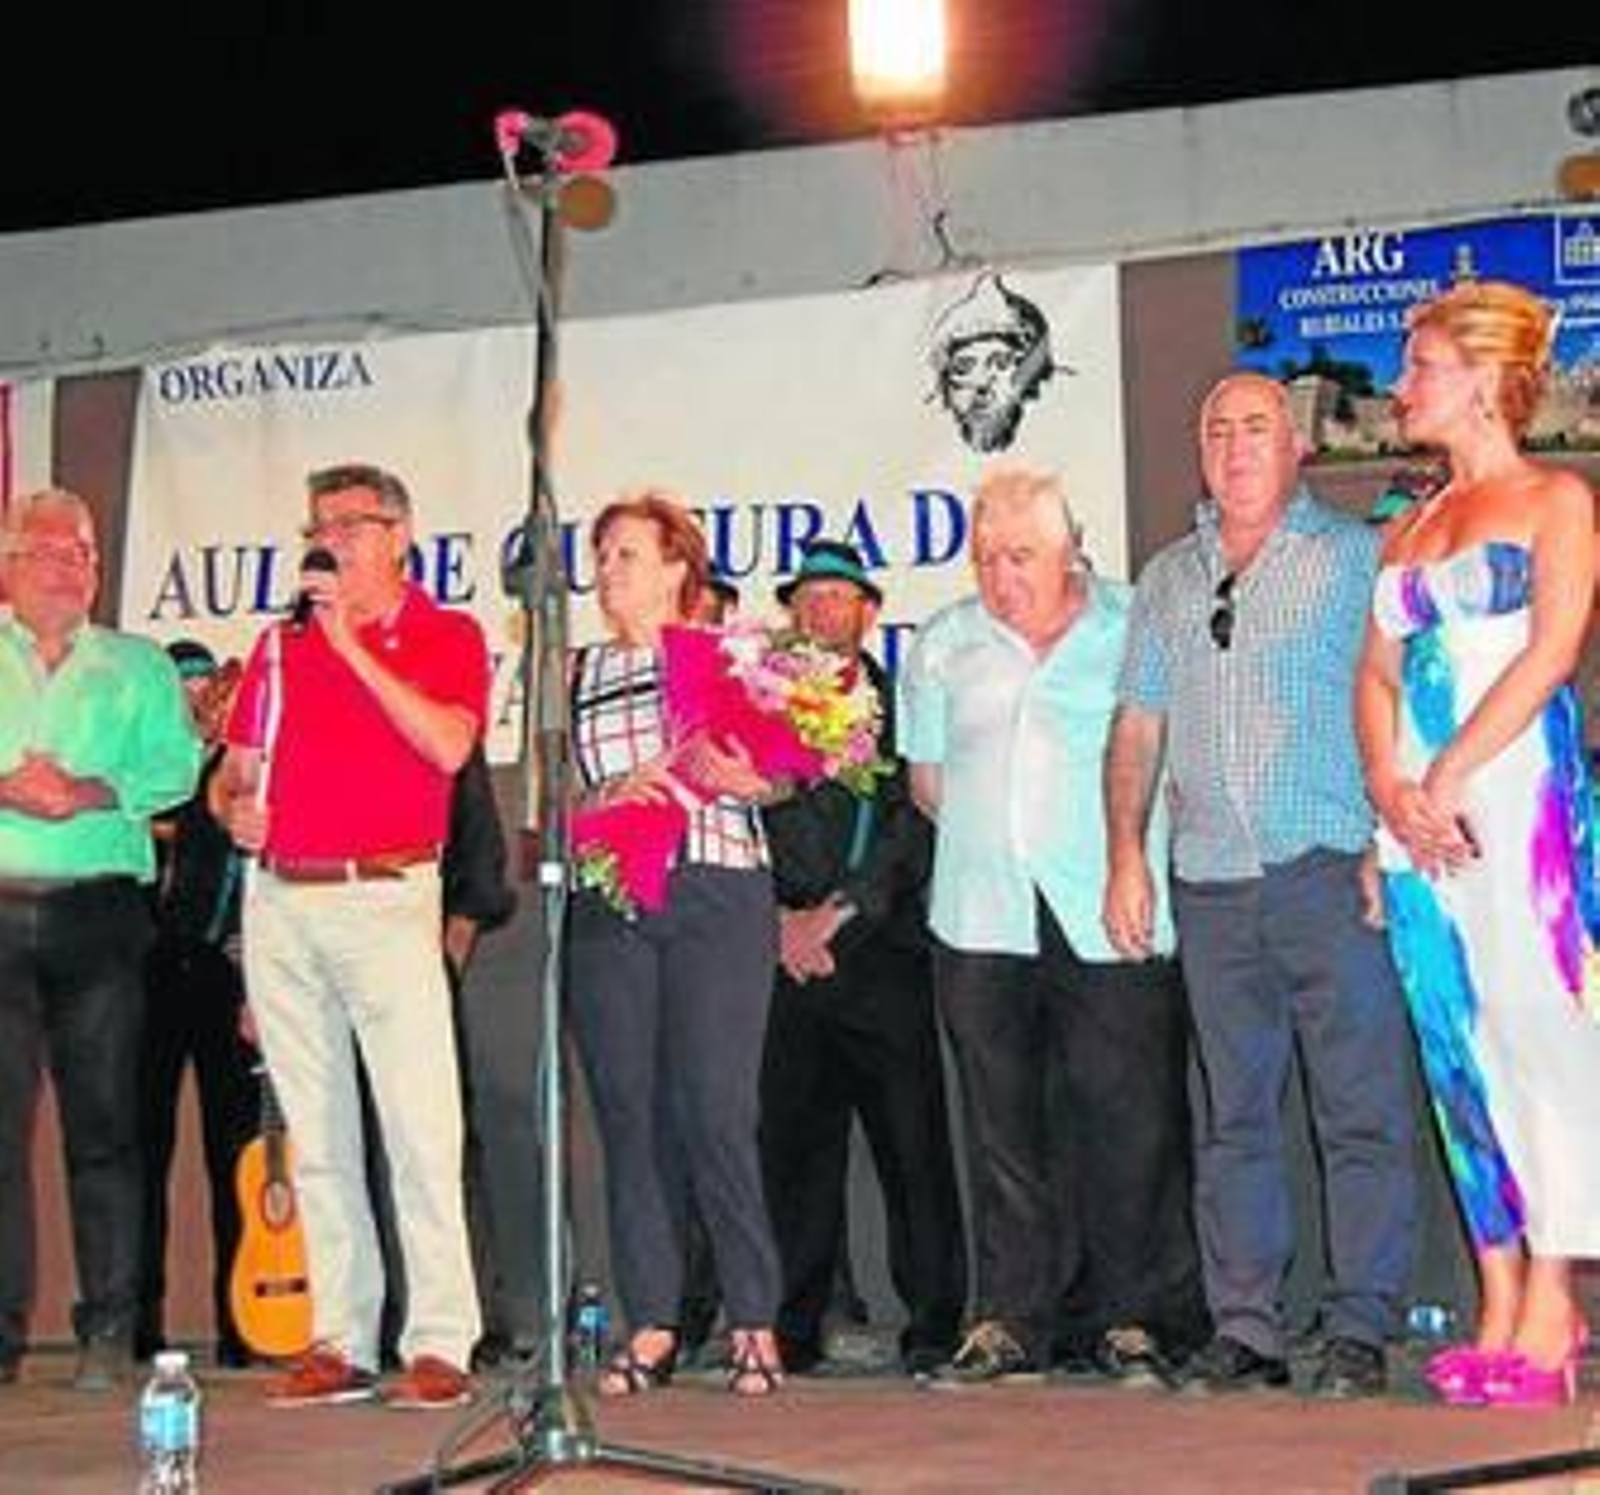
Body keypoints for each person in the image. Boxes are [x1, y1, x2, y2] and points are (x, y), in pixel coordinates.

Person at [1105, 372, 1418, 1399]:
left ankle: (1360, 1323)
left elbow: (1402, 705)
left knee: (1357, 1108)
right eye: (1217, 431)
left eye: (1255, 429)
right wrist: (1124, 853)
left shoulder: (1352, 559)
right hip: (1210, 885)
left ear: (1295, 448)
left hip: (1328, 870)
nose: (1235, 447)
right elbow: (1138, 727)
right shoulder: (1165, 579)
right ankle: (1247, 1327)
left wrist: (1388, 842)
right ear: (1199, 453)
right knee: (1232, 1117)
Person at [899, 463, 1207, 1385]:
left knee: (1132, 1117)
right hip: (981, 911)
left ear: (1071, 549)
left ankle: (1134, 1316)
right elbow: (927, 782)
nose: (1001, 575)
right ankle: (1011, 1317)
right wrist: (1006, 838)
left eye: (1021, 555)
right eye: (986, 556)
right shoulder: (944, 642)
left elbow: (1170, 756)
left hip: (1110, 904)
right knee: (1001, 1127)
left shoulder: (1131, 623)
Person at [1354, 279, 1600, 1409]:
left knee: (1540, 1030)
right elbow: (1375, 671)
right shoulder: (1407, 523)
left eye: (1419, 365)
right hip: (1417, 817)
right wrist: (1388, 792)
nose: (1402, 386)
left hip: (1517, 803)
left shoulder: (1556, 499)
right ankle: (1494, 1288)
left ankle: (1554, 1291)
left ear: (1483, 376)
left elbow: (1551, 651)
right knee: (1454, 1044)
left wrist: (1450, 773)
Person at [218, 462, 488, 1410]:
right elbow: (235, 774)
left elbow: (448, 746)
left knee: (419, 1124)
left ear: (400, 533)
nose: (328, 539)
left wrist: (352, 645)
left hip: (384, 891)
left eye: (351, 523)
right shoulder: (277, 647)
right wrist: (233, 805)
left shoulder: (445, 634)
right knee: (316, 1129)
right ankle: (341, 1334)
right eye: (318, 524)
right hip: (282, 895)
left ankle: (441, 1336)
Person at [565, 488, 786, 1397]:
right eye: (603, 554)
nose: (610, 569)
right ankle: (651, 1320)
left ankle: (754, 1318)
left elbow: (785, 770)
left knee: (717, 1110)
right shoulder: (572, 670)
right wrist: (608, 800)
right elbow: (550, 809)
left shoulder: (729, 657)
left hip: (720, 890)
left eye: (628, 553)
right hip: (615, 896)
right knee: (628, 1113)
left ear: (676, 570)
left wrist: (751, 776)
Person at [0, 488, 200, 1391]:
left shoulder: (141, 662)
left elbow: (177, 769)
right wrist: (10, 786)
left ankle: (109, 1332)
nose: (65, 565)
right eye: (44, 549)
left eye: (81, 552)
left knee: (108, 1129)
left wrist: (85, 789)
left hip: (100, 912)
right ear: (8, 564)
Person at [758, 539, 967, 1379]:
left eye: (838, 598)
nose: (821, 611)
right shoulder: (758, 705)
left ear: (868, 614)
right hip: (784, 959)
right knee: (794, 1151)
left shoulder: (904, 701)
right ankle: (794, 1320)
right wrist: (780, 920)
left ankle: (933, 1322)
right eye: (807, 598)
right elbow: (739, 821)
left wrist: (838, 915)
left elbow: (912, 826)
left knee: (913, 1147)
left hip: (880, 953)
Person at [136, 640, 261, 1371]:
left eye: (203, 684)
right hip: (148, 973)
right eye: (180, 686)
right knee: (141, 1149)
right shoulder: (152, 765)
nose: (194, 697)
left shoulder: (236, 769)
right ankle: (139, 1320)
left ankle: (240, 1321)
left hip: (224, 969)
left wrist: (254, 979)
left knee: (234, 1154)